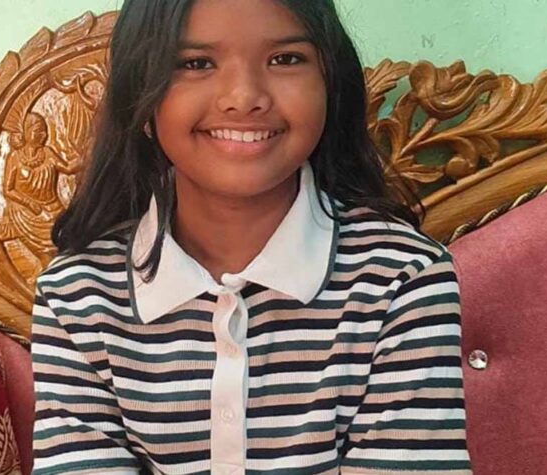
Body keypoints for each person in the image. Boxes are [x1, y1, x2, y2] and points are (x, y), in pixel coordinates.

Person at [31, 1, 472, 474]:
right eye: (195, 63)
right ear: (139, 97)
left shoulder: (403, 279)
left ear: (331, 84)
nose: (244, 97)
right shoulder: (76, 295)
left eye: (285, 59)